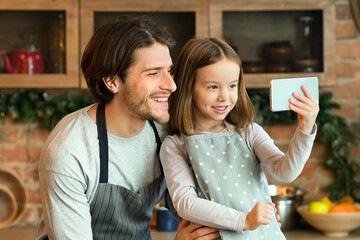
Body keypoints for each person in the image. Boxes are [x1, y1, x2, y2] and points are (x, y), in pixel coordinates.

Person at [36, 16, 220, 240]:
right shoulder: (70, 152)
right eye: (153, 73)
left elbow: (192, 208)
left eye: (169, 71)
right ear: (112, 81)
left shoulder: (165, 134)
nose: (171, 85)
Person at [160, 38, 319, 239]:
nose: (224, 97)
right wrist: (243, 220)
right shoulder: (175, 145)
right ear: (187, 86)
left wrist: (305, 129)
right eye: (212, 87)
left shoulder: (248, 132)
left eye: (232, 86)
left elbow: (285, 171)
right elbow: (185, 203)